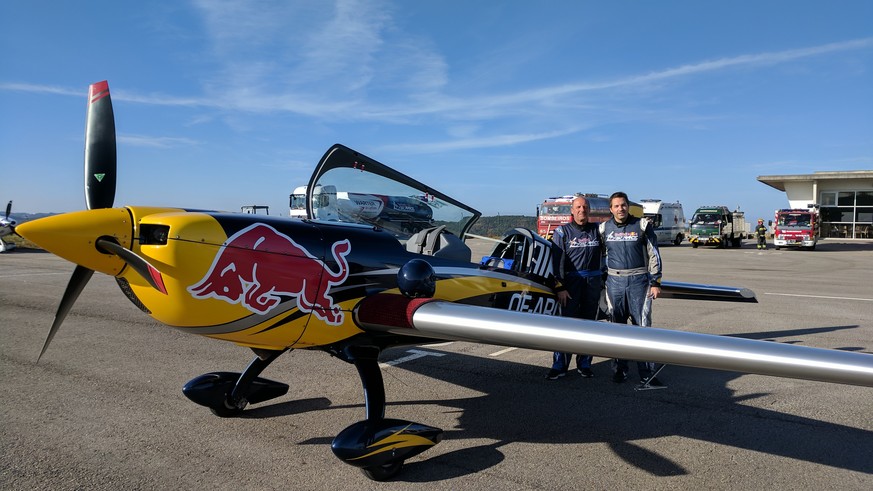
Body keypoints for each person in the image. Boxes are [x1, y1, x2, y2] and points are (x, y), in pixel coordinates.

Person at [599, 192, 663, 384]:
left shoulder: (642, 225)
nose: (620, 209)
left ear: (628, 206)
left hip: (639, 282)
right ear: (611, 209)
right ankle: (620, 369)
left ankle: (647, 372)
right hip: (614, 282)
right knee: (616, 328)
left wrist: (656, 282)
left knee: (642, 327)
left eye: (623, 205)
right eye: (616, 206)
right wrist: (603, 280)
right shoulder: (603, 228)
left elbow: (654, 254)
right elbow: (600, 255)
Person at [546, 196, 604, 380]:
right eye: (578, 207)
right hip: (570, 285)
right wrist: (560, 287)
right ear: (572, 210)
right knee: (565, 326)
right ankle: (559, 365)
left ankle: (585, 363)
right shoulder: (562, 232)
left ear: (589, 210)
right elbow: (556, 263)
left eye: (585, 207)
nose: (582, 210)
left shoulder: (598, 230)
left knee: (589, 326)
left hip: (593, 283)